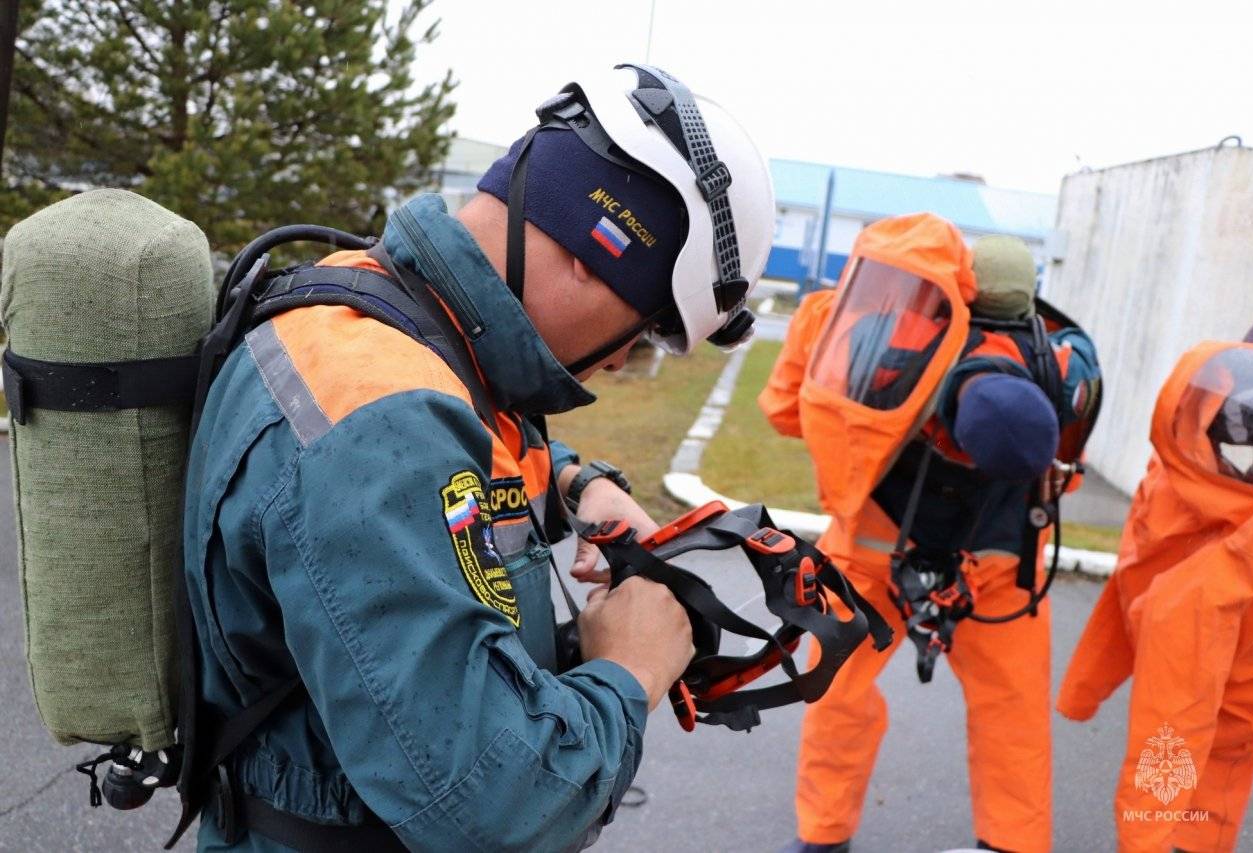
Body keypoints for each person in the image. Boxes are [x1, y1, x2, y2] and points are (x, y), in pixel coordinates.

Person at [183, 63, 774, 850]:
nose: (626, 360)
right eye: (646, 325)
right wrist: (630, 668)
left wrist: (574, 482)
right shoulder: (384, 426)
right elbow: (498, 804)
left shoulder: (376, 314)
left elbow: (455, 444)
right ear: (596, 254)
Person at [761, 227, 1100, 853]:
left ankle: (824, 838)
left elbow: (787, 412)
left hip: (869, 553)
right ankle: (1013, 843)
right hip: (1002, 563)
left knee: (836, 696)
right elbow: (1061, 479)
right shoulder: (1065, 366)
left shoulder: (871, 328)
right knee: (1013, 715)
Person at [1058, 340, 1253, 853]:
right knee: (1209, 751)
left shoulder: (1178, 490)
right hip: (1229, 700)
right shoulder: (1188, 506)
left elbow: (1131, 580)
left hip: (1214, 682)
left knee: (1190, 745)